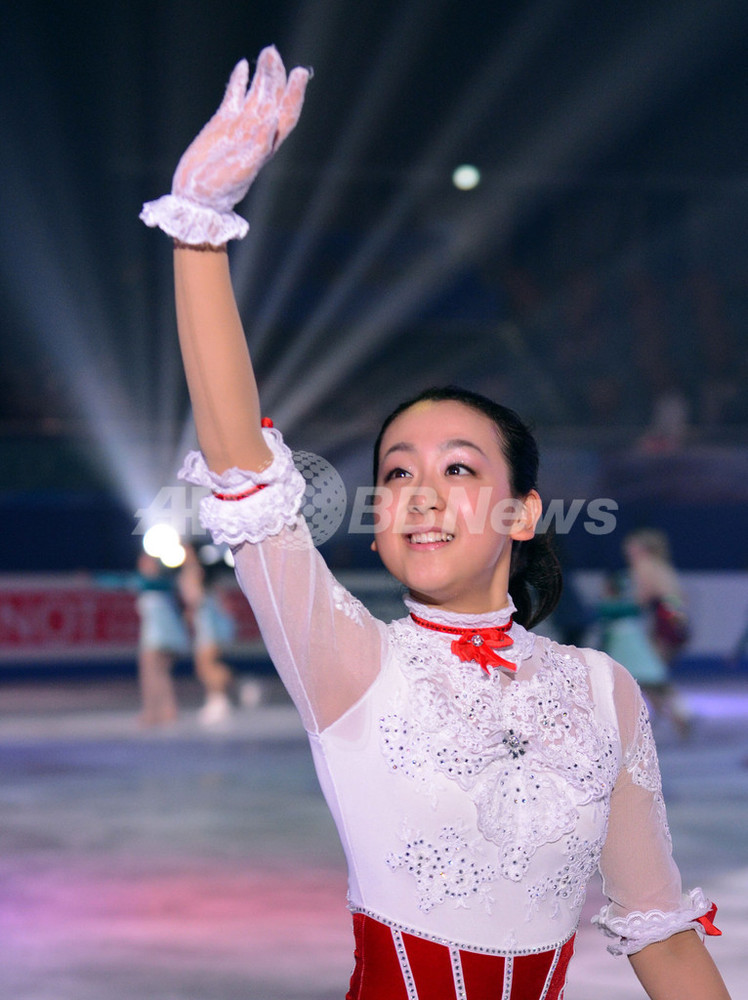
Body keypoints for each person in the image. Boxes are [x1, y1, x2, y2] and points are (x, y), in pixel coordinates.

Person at [140, 47, 730, 999]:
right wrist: (198, 236)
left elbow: (661, 934)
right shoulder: (350, 663)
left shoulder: (604, 691)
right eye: (396, 473)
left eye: (458, 468)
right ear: (374, 526)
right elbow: (244, 465)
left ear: (523, 512)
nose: (419, 490)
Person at [621, 529, 693, 738]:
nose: (627, 550)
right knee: (649, 673)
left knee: (652, 673)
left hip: (664, 622)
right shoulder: (661, 565)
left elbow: (640, 599)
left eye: (631, 546)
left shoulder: (643, 566)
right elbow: (679, 598)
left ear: (642, 549)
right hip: (674, 621)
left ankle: (679, 714)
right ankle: (665, 714)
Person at [178, 543, 240, 726]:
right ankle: (221, 696)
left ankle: (220, 699)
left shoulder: (193, 571)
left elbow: (195, 599)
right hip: (204, 622)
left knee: (205, 664)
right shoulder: (192, 572)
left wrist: (189, 611)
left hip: (208, 622)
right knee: (204, 666)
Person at [134, 551, 189, 727]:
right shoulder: (156, 585)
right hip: (162, 633)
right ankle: (168, 710)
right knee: (161, 674)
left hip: (157, 634)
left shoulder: (157, 584)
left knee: (150, 673)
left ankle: (152, 712)